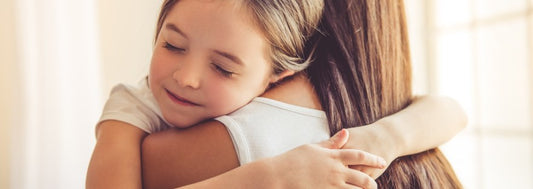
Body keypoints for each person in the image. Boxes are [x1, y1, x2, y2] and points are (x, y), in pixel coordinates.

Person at [86, 0, 466, 188]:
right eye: (171, 45)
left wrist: (383, 138)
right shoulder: (131, 106)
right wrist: (268, 176)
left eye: (223, 67)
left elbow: (451, 111)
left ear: (277, 76)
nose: (186, 77)